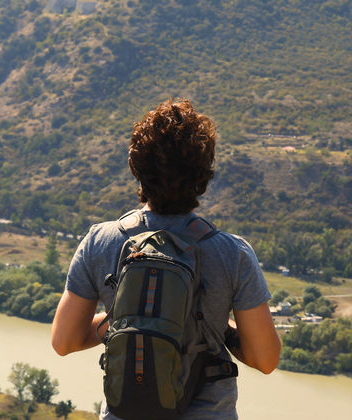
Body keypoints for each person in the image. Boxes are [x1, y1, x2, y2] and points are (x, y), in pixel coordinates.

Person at [51, 99, 280, 419]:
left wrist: (129, 322)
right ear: (204, 174)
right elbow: (265, 359)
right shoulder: (233, 253)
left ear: (136, 168)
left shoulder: (101, 241)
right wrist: (215, 328)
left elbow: (64, 340)